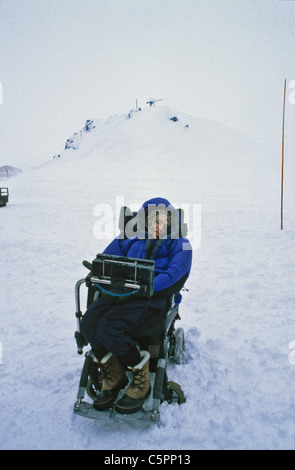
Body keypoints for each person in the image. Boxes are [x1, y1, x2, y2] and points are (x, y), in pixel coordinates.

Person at [80, 197, 192, 414]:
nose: (157, 225)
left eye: (163, 221)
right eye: (153, 221)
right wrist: (98, 273)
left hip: (151, 296)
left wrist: (144, 287)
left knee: (108, 326)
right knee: (89, 324)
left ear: (171, 223)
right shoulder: (128, 238)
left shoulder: (180, 243)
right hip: (118, 293)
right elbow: (107, 259)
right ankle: (113, 373)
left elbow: (175, 275)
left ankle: (140, 374)